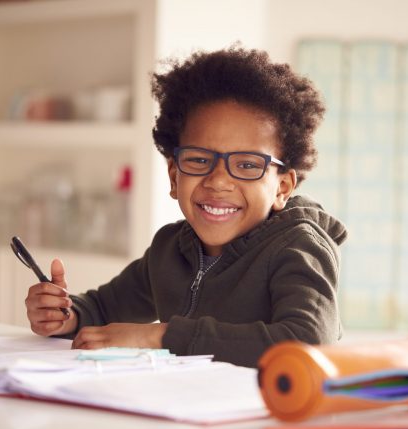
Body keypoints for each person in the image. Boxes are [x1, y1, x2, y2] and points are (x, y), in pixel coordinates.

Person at [24, 46, 348, 367]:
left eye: (248, 165)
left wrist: (160, 337)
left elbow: (308, 342)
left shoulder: (299, 247)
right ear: (174, 176)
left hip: (268, 413)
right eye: (199, 160)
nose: (219, 181)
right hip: (187, 408)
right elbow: (103, 307)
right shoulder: (170, 250)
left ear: (283, 187)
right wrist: (64, 314)